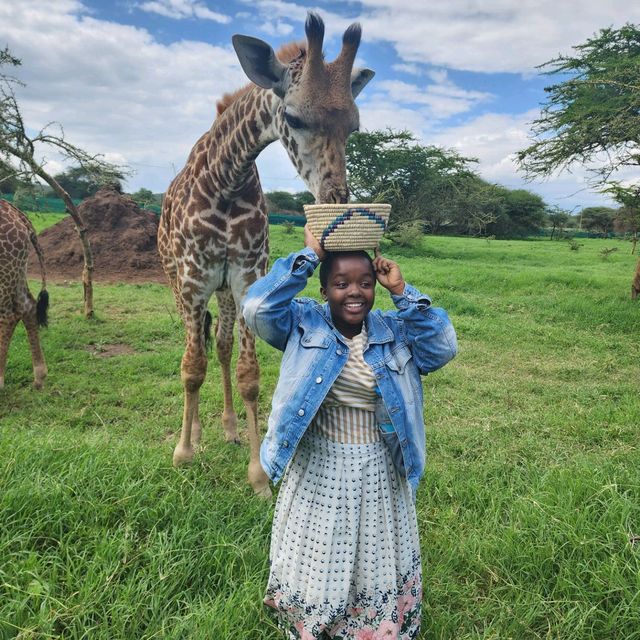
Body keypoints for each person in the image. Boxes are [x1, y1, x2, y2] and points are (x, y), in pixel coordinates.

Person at [241, 226, 457, 639]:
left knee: (373, 548)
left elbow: (443, 347)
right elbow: (256, 309)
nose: (353, 292)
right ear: (323, 289)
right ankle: (315, 616)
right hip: (318, 463)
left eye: (364, 282)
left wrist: (402, 290)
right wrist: (307, 256)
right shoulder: (304, 324)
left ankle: (371, 624)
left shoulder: (393, 331)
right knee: (321, 545)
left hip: (378, 464)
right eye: (340, 284)